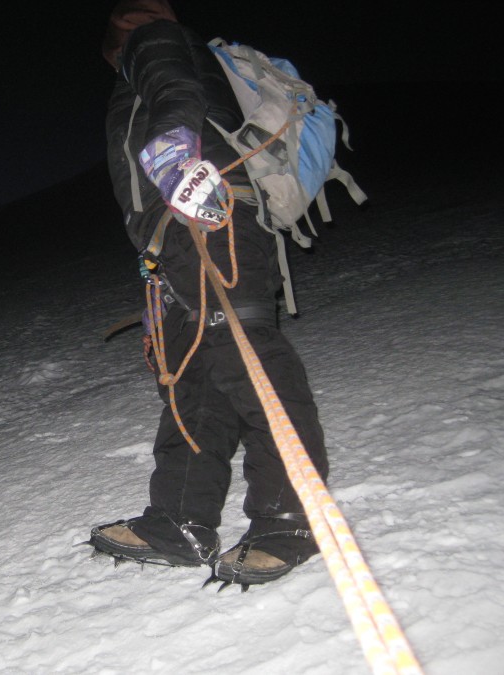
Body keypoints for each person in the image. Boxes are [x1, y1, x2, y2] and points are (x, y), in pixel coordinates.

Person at [88, 0, 330, 588]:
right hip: (178, 228)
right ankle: (180, 521)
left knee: (243, 351)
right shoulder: (146, 58)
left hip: (206, 212)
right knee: (195, 369)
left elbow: (174, 89)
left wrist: (172, 154)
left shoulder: (157, 39)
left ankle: (292, 519)